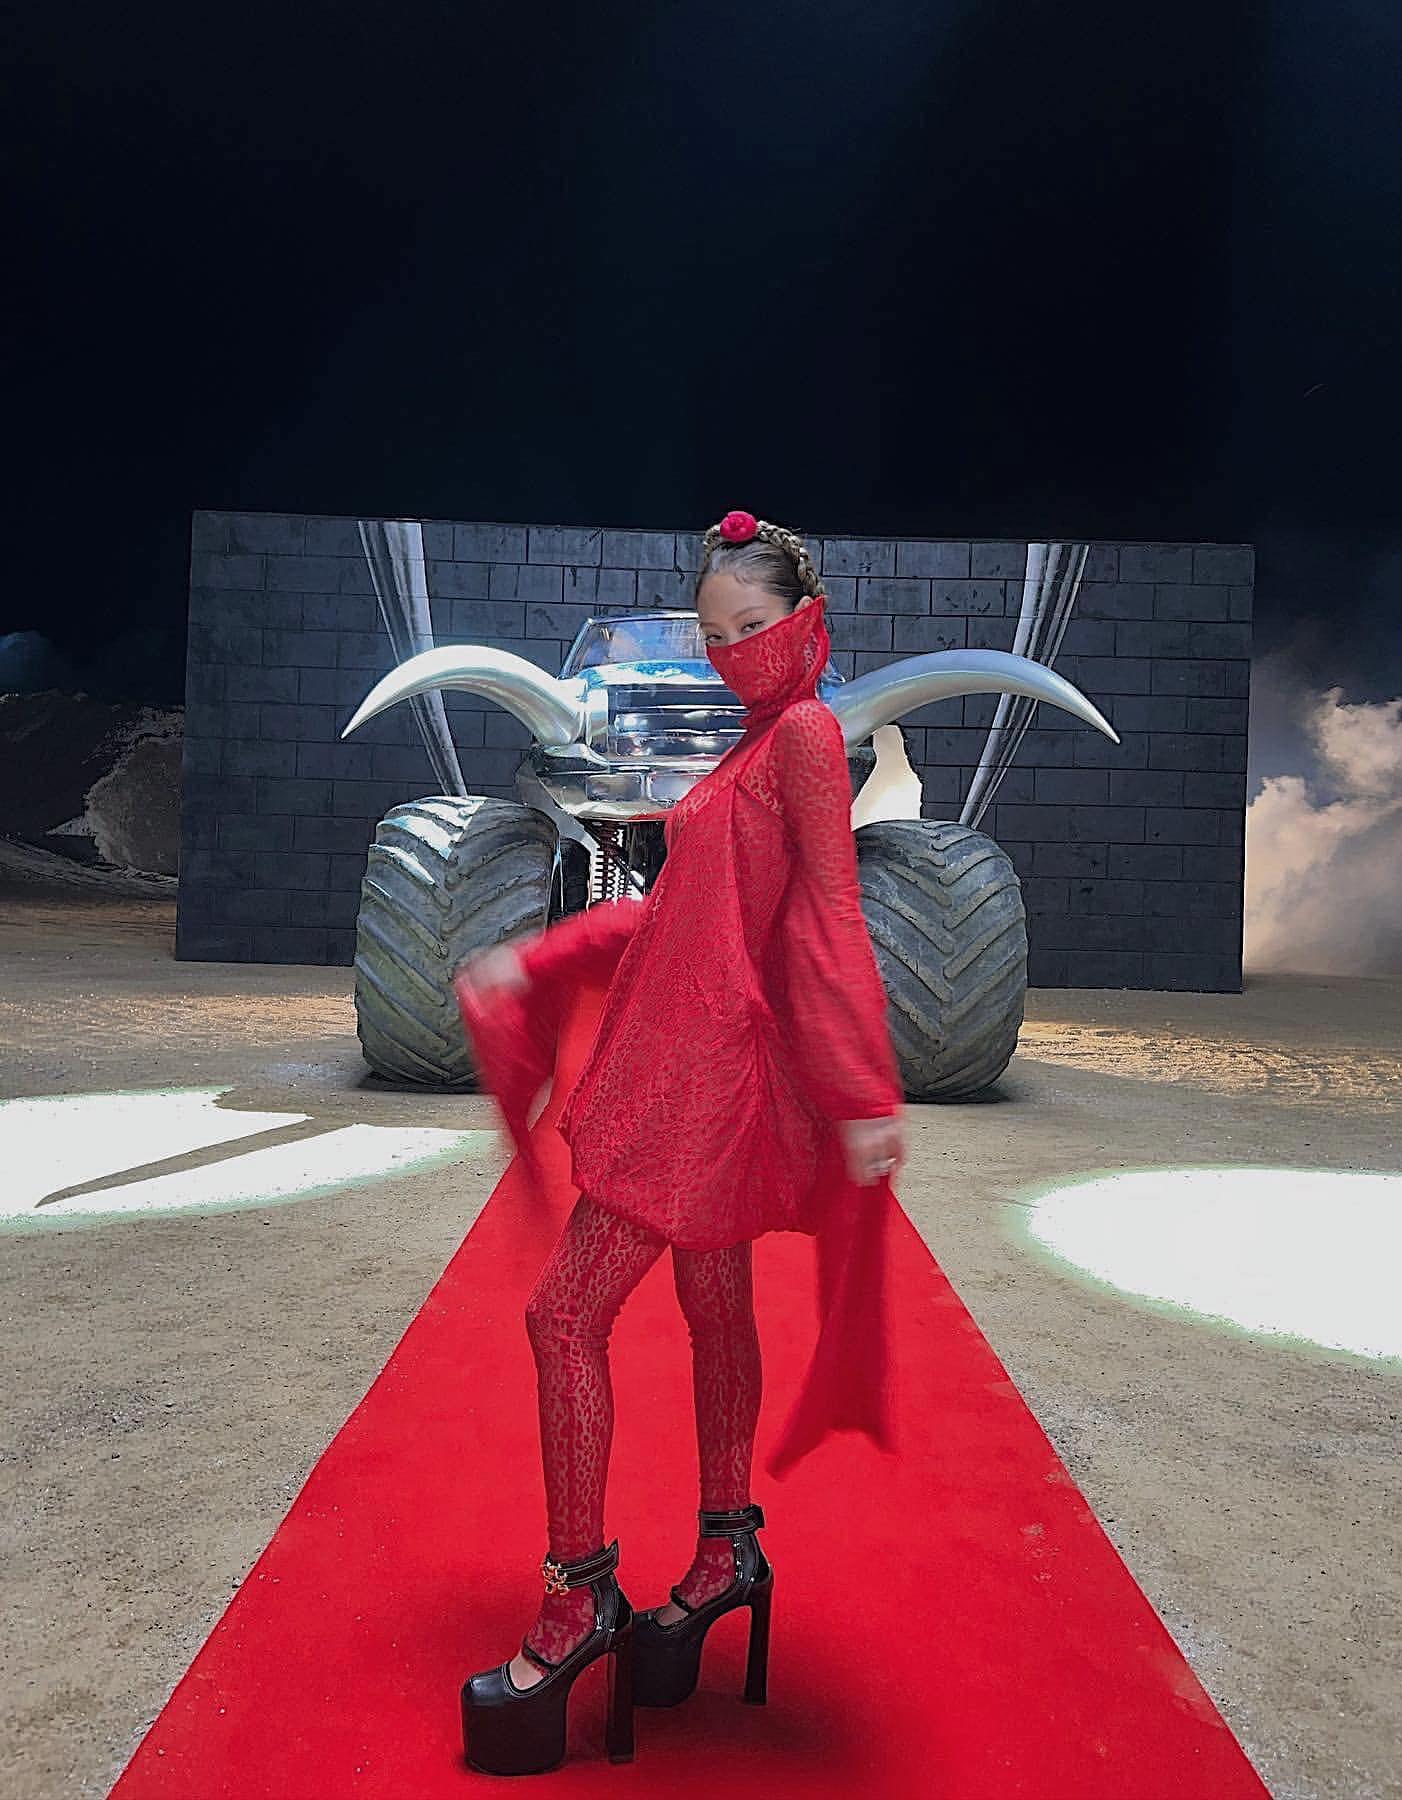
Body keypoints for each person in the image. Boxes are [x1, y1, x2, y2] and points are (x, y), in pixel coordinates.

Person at [453, 509, 908, 1776]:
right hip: (691, 1058)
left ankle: (578, 1599)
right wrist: (543, 957)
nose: (732, 652)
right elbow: (681, 919)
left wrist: (865, 1090)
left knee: (563, 1319)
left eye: (751, 627)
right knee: (714, 1303)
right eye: (714, 635)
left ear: (805, 620)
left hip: (702, 1081)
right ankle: (725, 1552)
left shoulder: (802, 736)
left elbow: (827, 913)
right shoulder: (760, 741)